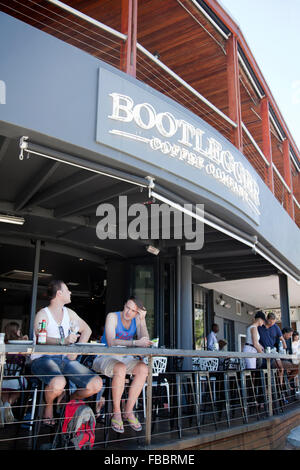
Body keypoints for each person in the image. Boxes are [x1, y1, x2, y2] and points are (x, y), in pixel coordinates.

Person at [31, 280, 103, 426]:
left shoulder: (69, 313)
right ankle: (49, 405)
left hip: (65, 360)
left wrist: (76, 351)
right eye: (67, 290)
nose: (70, 292)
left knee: (96, 384)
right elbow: (40, 339)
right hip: (43, 359)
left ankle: (70, 402)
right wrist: (63, 341)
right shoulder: (42, 314)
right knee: (59, 383)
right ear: (59, 293)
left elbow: (87, 330)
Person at [92, 296, 152, 433]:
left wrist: (142, 320)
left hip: (125, 357)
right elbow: (111, 342)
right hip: (105, 356)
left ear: (137, 313)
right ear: (124, 305)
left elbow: (145, 342)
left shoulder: (137, 320)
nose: (128, 312)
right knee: (120, 367)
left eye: (133, 311)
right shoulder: (112, 317)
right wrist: (135, 343)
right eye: (127, 307)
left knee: (143, 369)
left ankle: (128, 411)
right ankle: (117, 411)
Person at [0, 322, 28, 424]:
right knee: (22, 387)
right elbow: (28, 360)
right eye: (19, 329)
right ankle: (8, 404)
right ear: (16, 331)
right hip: (16, 382)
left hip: (2, 380)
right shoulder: (21, 346)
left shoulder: (2, 344)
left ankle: (3, 409)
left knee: (4, 390)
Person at [258, 312, 287, 385]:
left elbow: (282, 338)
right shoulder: (260, 326)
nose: (271, 324)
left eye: (273, 322)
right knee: (265, 369)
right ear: (267, 319)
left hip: (273, 350)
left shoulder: (275, 327)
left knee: (281, 367)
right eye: (270, 322)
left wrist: (284, 344)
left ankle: (280, 385)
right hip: (262, 350)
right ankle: (265, 387)